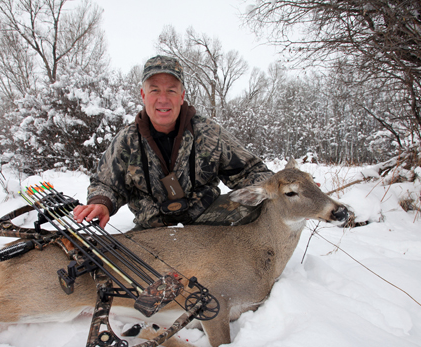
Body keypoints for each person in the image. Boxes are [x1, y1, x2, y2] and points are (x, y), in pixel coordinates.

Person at [73, 55, 272, 230]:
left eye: (171, 91)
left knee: (261, 206)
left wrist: (283, 189)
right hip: (153, 230)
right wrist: (101, 203)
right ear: (143, 95)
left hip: (207, 224)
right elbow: (106, 184)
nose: (163, 99)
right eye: (155, 90)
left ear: (182, 96)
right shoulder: (127, 140)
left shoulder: (209, 132)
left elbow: (251, 172)